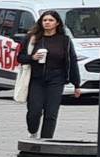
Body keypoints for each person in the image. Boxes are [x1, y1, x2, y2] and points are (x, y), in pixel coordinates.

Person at [20, 9, 79, 139]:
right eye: (45, 20)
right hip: (36, 79)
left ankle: (46, 140)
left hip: (56, 79)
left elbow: (72, 61)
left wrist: (76, 84)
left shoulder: (64, 40)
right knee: (34, 111)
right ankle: (33, 131)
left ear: (57, 23)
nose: (47, 23)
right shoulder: (32, 39)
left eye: (51, 20)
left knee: (51, 113)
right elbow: (20, 57)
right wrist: (32, 57)